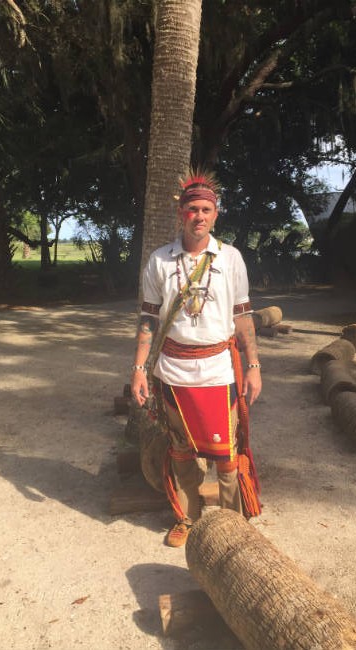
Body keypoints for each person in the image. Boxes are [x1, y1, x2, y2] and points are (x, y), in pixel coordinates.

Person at [131, 170, 262, 547]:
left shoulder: (231, 258)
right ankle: (187, 518)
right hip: (173, 371)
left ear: (216, 214)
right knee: (182, 453)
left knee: (226, 456)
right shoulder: (159, 261)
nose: (199, 216)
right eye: (192, 209)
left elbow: (243, 317)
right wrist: (139, 370)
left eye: (206, 209)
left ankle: (233, 524)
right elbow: (148, 319)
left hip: (220, 371)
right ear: (181, 215)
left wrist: (252, 366)